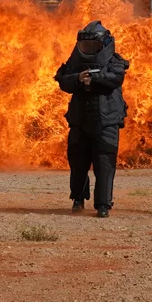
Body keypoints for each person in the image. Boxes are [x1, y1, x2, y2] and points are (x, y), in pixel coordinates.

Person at [54, 20, 129, 218]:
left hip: (107, 120)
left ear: (103, 44)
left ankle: (103, 205)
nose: (89, 49)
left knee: (104, 162)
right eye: (85, 45)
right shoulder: (74, 62)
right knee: (78, 162)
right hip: (80, 120)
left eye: (93, 45)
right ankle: (78, 199)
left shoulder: (114, 60)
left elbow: (115, 78)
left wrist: (94, 78)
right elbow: (62, 81)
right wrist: (79, 78)